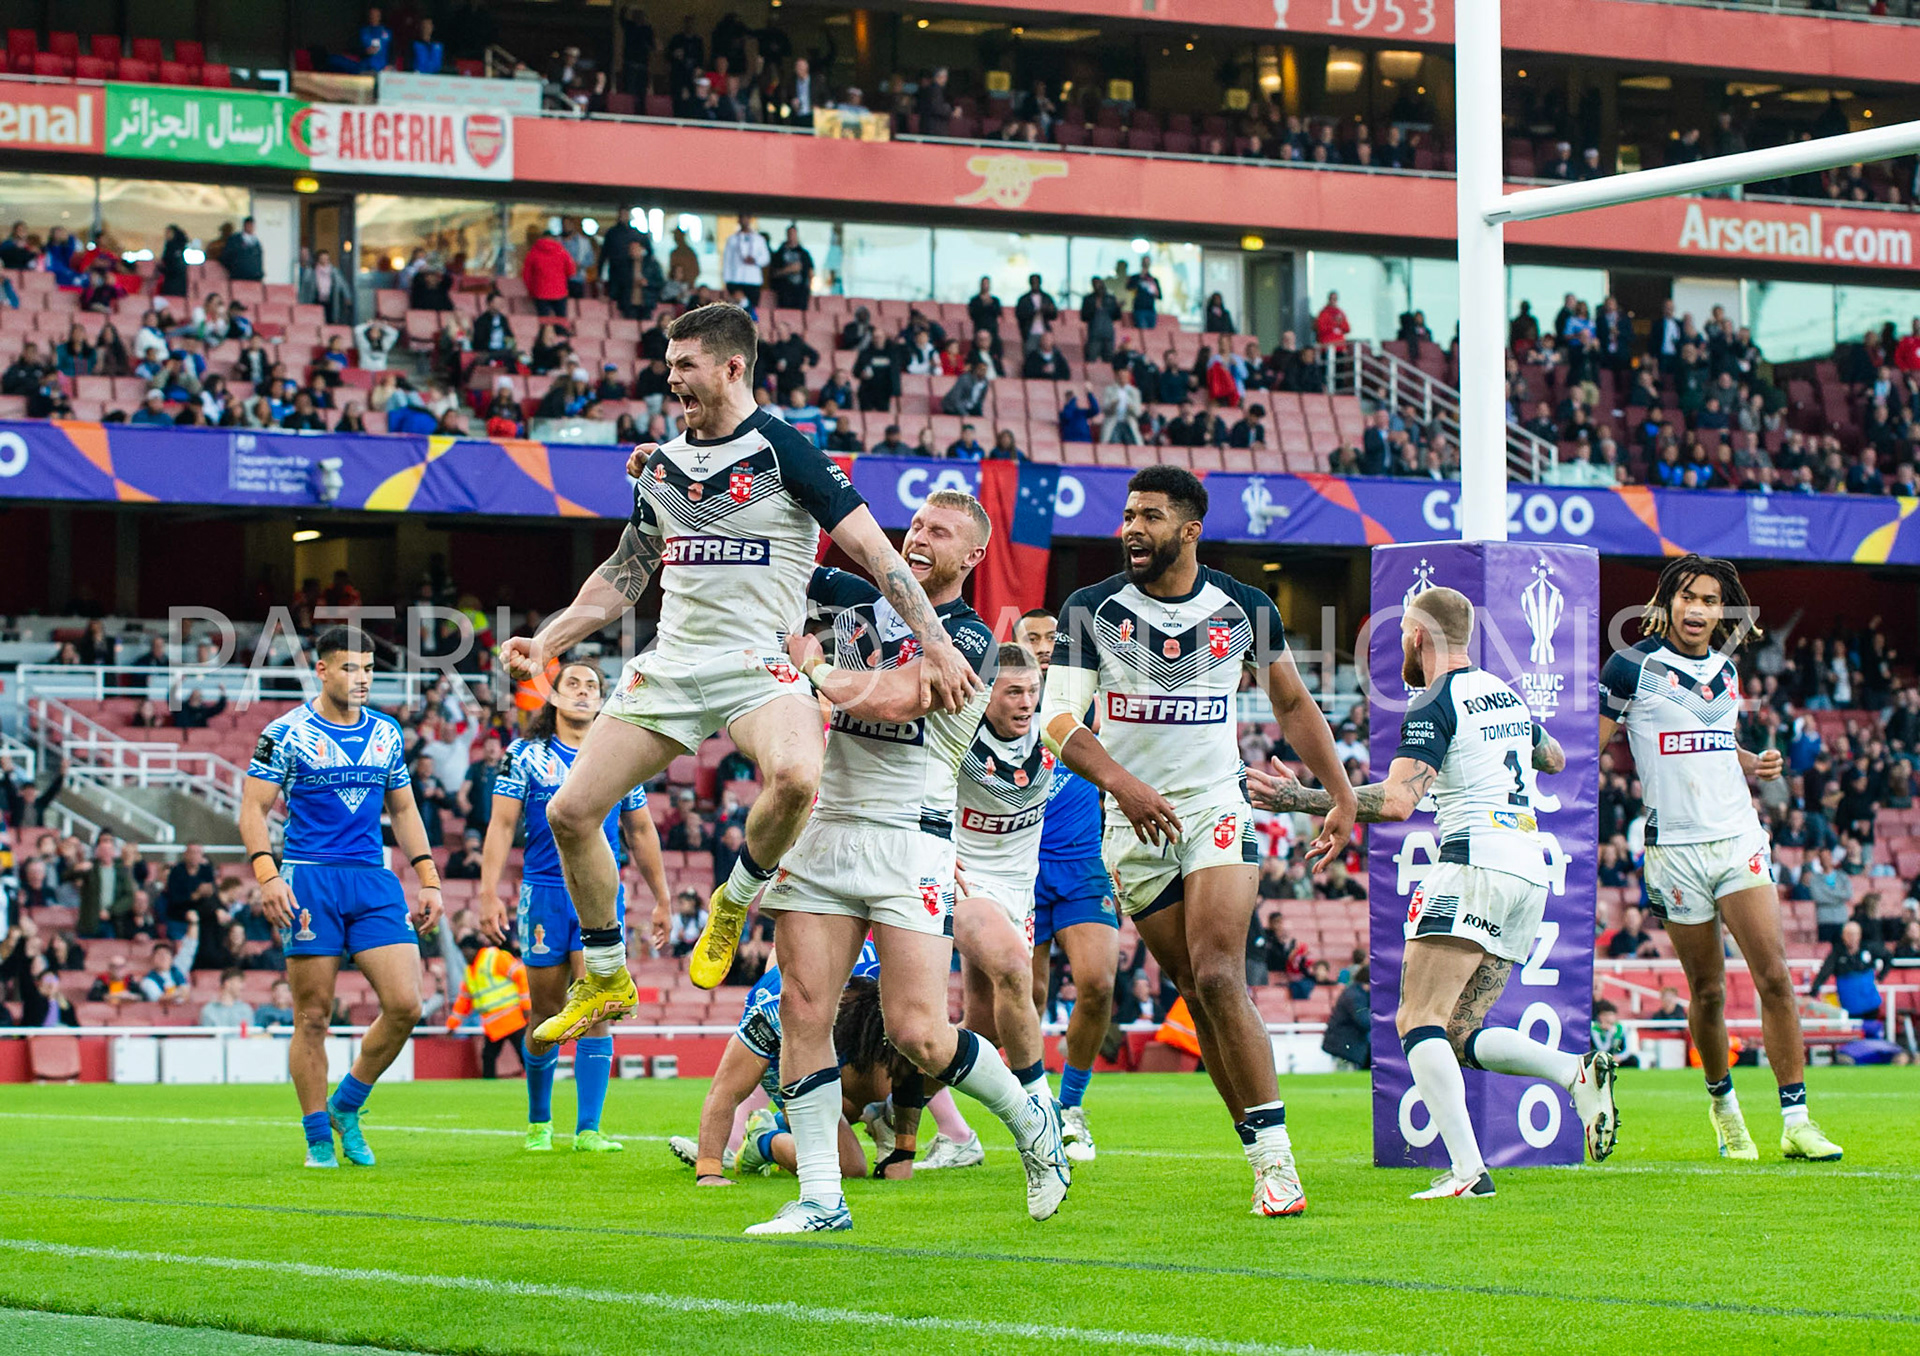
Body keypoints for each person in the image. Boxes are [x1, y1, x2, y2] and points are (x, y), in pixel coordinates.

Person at [501, 305, 979, 1043]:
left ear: (732, 367)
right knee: (568, 812)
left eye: (685, 365)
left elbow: (877, 554)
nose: (672, 379)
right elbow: (627, 571)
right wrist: (549, 636)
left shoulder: (787, 452)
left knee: (795, 777)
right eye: (669, 365)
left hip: (758, 664)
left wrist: (937, 642)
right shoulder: (659, 464)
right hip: (671, 663)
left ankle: (737, 895)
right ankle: (605, 974)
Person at [747, 489, 1068, 1234]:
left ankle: (1033, 1124)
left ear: (974, 556)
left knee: (918, 1032)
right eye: (916, 525)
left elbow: (900, 698)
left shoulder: (971, 638)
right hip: (827, 824)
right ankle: (823, 1199)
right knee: (803, 1010)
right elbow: (766, 555)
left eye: (942, 532)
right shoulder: (859, 596)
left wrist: (813, 672)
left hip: (910, 833)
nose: (920, 538)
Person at [1039, 466, 1355, 1217]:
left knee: (1219, 974)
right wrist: (1123, 784)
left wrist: (1339, 793)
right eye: (1127, 515)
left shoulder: (1243, 607)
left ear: (1189, 529)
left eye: (1148, 516)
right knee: (1195, 990)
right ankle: (1257, 1148)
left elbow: (1291, 701)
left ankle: (1279, 1166)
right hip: (1131, 820)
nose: (1131, 529)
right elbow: (1058, 723)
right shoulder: (1091, 609)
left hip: (1215, 804)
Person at [1250, 587, 1618, 1200]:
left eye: (1401, 635)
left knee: (1414, 1019)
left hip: (1472, 864)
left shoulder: (1433, 703)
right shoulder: (1504, 694)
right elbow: (1552, 757)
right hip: (1529, 871)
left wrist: (1306, 798)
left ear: (1418, 635)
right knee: (1454, 1029)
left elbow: (1397, 802)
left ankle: (1470, 1172)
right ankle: (1571, 1071)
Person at [1599, 555, 1842, 1162]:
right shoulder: (1631, 666)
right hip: (1673, 849)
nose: (1698, 609)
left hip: (1737, 838)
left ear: (1721, 609)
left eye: (1709, 600)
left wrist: (1749, 762)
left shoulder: (1727, 670)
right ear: (1666, 602)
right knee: (1706, 992)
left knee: (1776, 977)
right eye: (1687, 597)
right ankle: (1725, 1108)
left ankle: (1797, 1119)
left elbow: (1715, 736)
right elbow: (1590, 747)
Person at [240, 627, 443, 1169]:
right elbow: (252, 810)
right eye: (351, 668)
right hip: (309, 881)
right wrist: (268, 876)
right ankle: (317, 1139)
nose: (362, 679)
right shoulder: (285, 733)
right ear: (323, 670)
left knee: (406, 1005)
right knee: (313, 1016)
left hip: (372, 880)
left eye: (369, 670)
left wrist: (428, 878)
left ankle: (347, 1103)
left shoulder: (387, 732)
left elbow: (402, 810)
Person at [476, 661, 672, 1151]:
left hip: (600, 898)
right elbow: (501, 827)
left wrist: (663, 897)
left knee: (597, 1004)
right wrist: (486, 892)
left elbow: (642, 830)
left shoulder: (621, 757)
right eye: (574, 685)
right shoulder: (524, 755)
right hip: (542, 892)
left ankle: (589, 1129)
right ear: (555, 697)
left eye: (593, 686)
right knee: (544, 1009)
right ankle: (540, 1120)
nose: (584, 693)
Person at [1012, 608, 1119, 1163]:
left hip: (1082, 866)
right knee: (1026, 997)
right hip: (1020, 866)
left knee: (1098, 981)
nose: (1046, 645)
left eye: (1054, 637)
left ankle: (1072, 1106)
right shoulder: (996, 705)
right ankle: (1039, 1108)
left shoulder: (1092, 698)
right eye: (1032, 638)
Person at [951, 642, 1055, 1166]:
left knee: (980, 1028)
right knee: (1018, 971)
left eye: (1032, 691)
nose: (1025, 703)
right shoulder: (956, 732)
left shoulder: (1054, 727)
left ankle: (899, 1117)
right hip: (965, 883)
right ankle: (1040, 1114)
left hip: (1020, 890)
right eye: (1013, 691)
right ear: (987, 693)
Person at [666, 951, 889, 1184]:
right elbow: (725, 1091)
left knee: (885, 1087)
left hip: (841, 1028)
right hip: (790, 1049)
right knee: (848, 1167)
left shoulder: (886, 982)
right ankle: (763, 1141)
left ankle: (785, 1124)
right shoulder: (772, 1016)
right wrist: (709, 1172)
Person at [448, 932, 531, 1078]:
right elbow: (464, 1001)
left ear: (473, 949)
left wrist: (526, 1006)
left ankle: (537, 1081)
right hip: (495, 1023)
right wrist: (452, 1024)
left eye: (465, 952)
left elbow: (521, 975)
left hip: (513, 1018)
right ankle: (489, 1085)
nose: (464, 956)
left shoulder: (494, 957)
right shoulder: (469, 972)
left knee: (520, 1055)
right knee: (489, 1056)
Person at [1809, 919, 1886, 1019]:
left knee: (1872, 1029)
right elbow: (1824, 973)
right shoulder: (1836, 953)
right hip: (1849, 1003)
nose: (1852, 938)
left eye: (1854, 934)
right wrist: (1812, 993)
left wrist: (1880, 977)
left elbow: (1887, 957)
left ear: (1859, 935)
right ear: (1843, 936)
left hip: (1870, 1002)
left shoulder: (1868, 948)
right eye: (1848, 934)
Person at [720, 216, 771, 308]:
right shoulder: (732, 239)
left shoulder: (759, 239)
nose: (744, 221)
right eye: (742, 218)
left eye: (746, 218)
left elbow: (766, 258)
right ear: (739, 220)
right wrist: (727, 280)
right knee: (735, 309)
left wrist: (755, 260)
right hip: (735, 280)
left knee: (752, 309)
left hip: (753, 281)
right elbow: (727, 261)